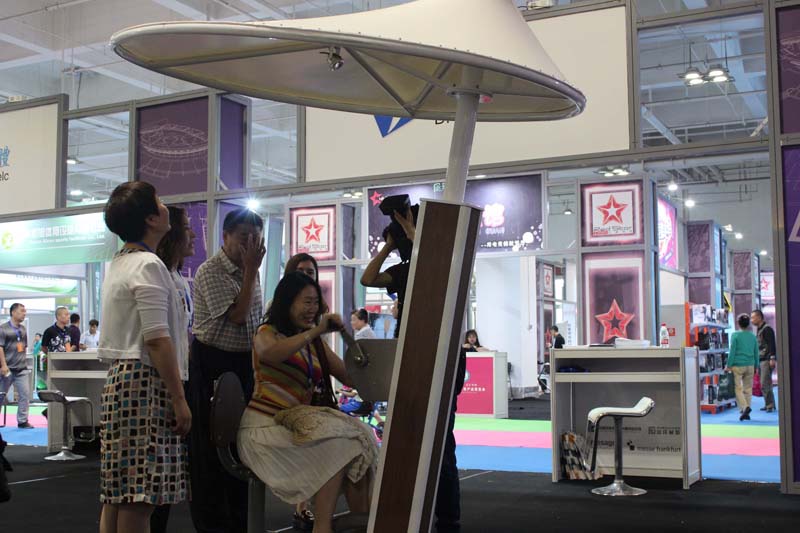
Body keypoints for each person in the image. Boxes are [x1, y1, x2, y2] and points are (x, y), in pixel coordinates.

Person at [237, 272, 376, 533]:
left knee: (361, 445)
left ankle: (360, 523)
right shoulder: (267, 333)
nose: (312, 309)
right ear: (287, 302)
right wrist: (317, 331)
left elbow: (350, 376)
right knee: (339, 446)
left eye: (316, 302)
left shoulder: (315, 343)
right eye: (307, 302)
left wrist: (355, 348)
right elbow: (271, 353)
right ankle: (322, 527)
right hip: (263, 430)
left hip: (297, 428)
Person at [361, 206, 463, 533]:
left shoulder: (443, 261)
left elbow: (431, 264)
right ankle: (418, 513)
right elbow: (367, 278)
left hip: (441, 354)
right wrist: (389, 246)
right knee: (412, 438)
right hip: (412, 354)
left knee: (441, 441)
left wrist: (410, 229)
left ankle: (448, 519)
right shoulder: (403, 271)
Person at [97, 181, 190, 533]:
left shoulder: (120, 262)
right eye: (160, 202)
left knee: (118, 494)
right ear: (151, 219)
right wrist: (179, 399)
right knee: (140, 497)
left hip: (123, 381)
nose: (166, 208)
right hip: (146, 382)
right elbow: (157, 339)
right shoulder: (148, 264)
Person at [189, 207, 265, 533]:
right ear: (225, 237)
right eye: (243, 237)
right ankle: (212, 524)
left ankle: (240, 519)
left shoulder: (252, 271)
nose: (250, 244)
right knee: (212, 448)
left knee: (241, 444)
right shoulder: (211, 271)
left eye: (256, 238)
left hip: (245, 362)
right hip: (213, 362)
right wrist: (250, 272)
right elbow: (237, 315)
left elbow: (254, 321)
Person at [150, 205, 196, 533]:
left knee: (165, 481)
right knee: (150, 483)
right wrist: (177, 394)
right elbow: (157, 339)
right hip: (160, 383)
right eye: (186, 227)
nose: (192, 234)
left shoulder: (178, 277)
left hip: (178, 379)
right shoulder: (159, 275)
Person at [0, 303, 33, 429]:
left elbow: (23, 347)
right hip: (7, 369)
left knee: (25, 395)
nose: (24, 313)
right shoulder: (3, 329)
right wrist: (3, 365)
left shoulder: (23, 329)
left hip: (21, 369)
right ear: (13, 312)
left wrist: (23, 362)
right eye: (22, 311)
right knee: (1, 396)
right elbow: (0, 348)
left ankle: (22, 420)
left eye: (25, 311)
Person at [725, 314, 760, 422]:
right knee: (748, 389)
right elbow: (756, 352)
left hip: (738, 365)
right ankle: (746, 412)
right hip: (750, 365)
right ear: (748, 324)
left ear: (738, 323)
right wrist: (757, 365)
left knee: (738, 388)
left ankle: (745, 408)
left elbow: (732, 351)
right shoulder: (753, 336)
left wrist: (728, 365)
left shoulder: (735, 335)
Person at [751, 310, 777, 412]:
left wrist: (772, 358)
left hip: (766, 360)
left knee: (765, 383)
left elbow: (772, 344)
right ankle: (768, 404)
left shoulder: (767, 329)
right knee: (764, 383)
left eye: (753, 317)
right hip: (761, 360)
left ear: (759, 317)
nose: (751, 320)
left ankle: (770, 405)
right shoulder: (759, 330)